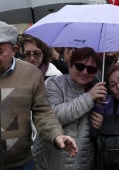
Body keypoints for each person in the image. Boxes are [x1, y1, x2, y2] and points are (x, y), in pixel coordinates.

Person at [0, 21, 78, 170]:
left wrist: (56, 135)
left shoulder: (31, 74)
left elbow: (42, 112)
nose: (32, 57)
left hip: (22, 164)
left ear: (14, 50)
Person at [33, 47, 107, 170]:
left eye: (91, 68)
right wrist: (89, 97)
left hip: (83, 161)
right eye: (79, 66)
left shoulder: (99, 91)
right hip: (52, 160)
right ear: (69, 66)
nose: (85, 71)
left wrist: (101, 124)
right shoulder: (55, 83)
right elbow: (54, 115)